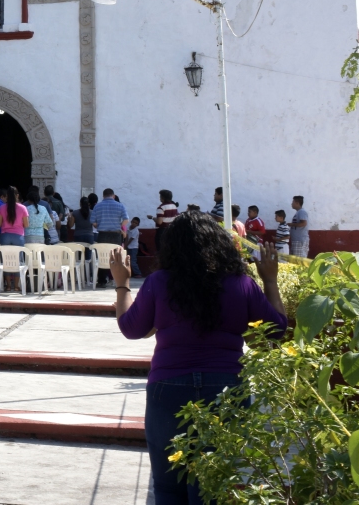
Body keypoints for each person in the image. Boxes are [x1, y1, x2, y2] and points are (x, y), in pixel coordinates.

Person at [110, 209, 286, 505]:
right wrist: (269, 280)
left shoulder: (159, 282)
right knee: (213, 486)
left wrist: (121, 283)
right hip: (227, 388)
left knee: (168, 487)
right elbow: (277, 330)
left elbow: (131, 328)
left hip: (168, 388)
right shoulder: (240, 283)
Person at [91, 188, 129, 286]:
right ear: (114, 195)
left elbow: (93, 222)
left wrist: (99, 225)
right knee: (116, 257)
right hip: (116, 235)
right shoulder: (120, 205)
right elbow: (126, 220)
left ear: (103, 196)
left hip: (102, 235)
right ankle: (118, 279)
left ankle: (102, 281)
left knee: (102, 257)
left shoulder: (97, 206)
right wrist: (119, 226)